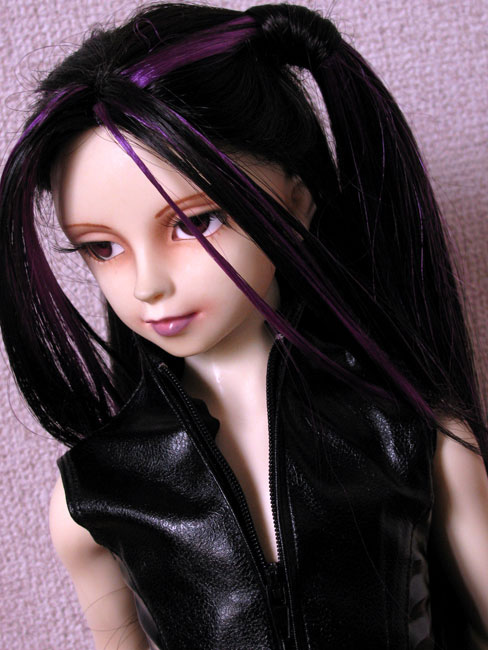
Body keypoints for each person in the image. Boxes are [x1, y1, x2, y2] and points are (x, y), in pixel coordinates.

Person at [0, 2, 487, 649]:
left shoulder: (411, 436)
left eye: (195, 223)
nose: (147, 284)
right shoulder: (96, 493)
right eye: (101, 248)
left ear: (297, 203)